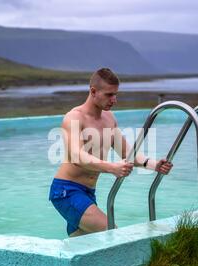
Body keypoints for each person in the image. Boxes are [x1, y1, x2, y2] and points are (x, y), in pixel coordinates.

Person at [49, 68, 173, 237]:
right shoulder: (74, 118)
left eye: (116, 94)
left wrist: (153, 164)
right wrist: (111, 167)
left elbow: (128, 153)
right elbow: (77, 156)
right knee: (111, 232)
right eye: (109, 95)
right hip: (66, 191)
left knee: (83, 244)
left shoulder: (109, 119)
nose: (114, 100)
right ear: (93, 91)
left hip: (88, 193)